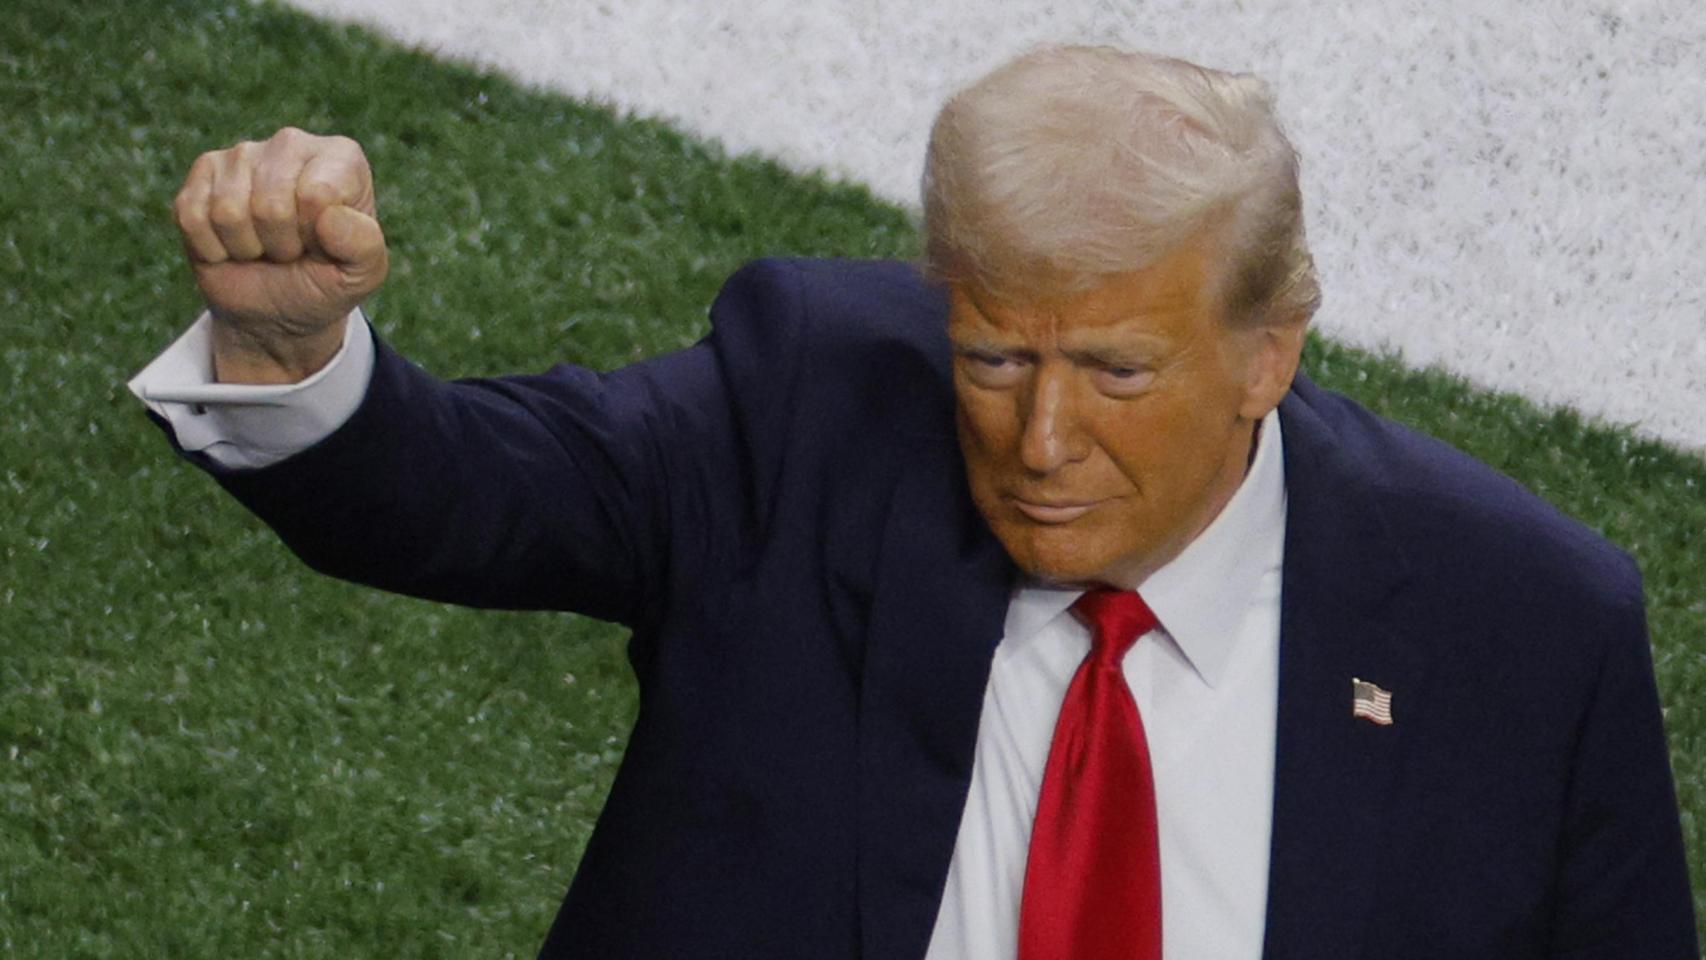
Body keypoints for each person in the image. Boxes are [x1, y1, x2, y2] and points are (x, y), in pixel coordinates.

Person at [130, 45, 1696, 959]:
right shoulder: (809, 412)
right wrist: (293, 352)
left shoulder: (1522, 628)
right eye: (994, 356)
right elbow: (463, 490)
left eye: (1116, 370)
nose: (1041, 439)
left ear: (1266, 351)